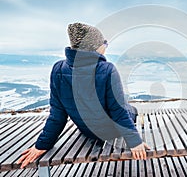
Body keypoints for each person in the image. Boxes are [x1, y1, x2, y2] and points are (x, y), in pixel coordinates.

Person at [17, 23, 149, 169]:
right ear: (96, 47)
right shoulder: (107, 69)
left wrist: (42, 145)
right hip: (112, 131)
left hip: (87, 131)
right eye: (104, 43)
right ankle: (137, 114)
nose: (106, 46)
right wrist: (135, 141)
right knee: (130, 109)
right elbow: (118, 112)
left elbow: (57, 115)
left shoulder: (58, 69)